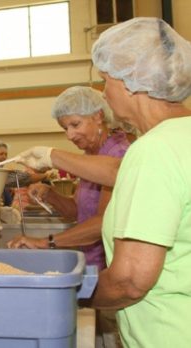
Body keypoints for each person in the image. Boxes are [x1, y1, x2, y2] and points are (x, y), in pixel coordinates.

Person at [24, 17, 191, 347]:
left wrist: (69, 294)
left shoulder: (153, 150)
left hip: (167, 332)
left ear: (131, 81)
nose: (104, 93)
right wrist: (52, 156)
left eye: (106, 81)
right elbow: (121, 172)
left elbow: (130, 281)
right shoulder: (178, 139)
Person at [9, 86, 130, 273]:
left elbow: (104, 222)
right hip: (91, 262)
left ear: (98, 116)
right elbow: (77, 212)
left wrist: (45, 242)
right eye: (65, 128)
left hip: (110, 266)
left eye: (75, 124)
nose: (70, 135)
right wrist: (50, 195)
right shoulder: (91, 155)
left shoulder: (117, 154)